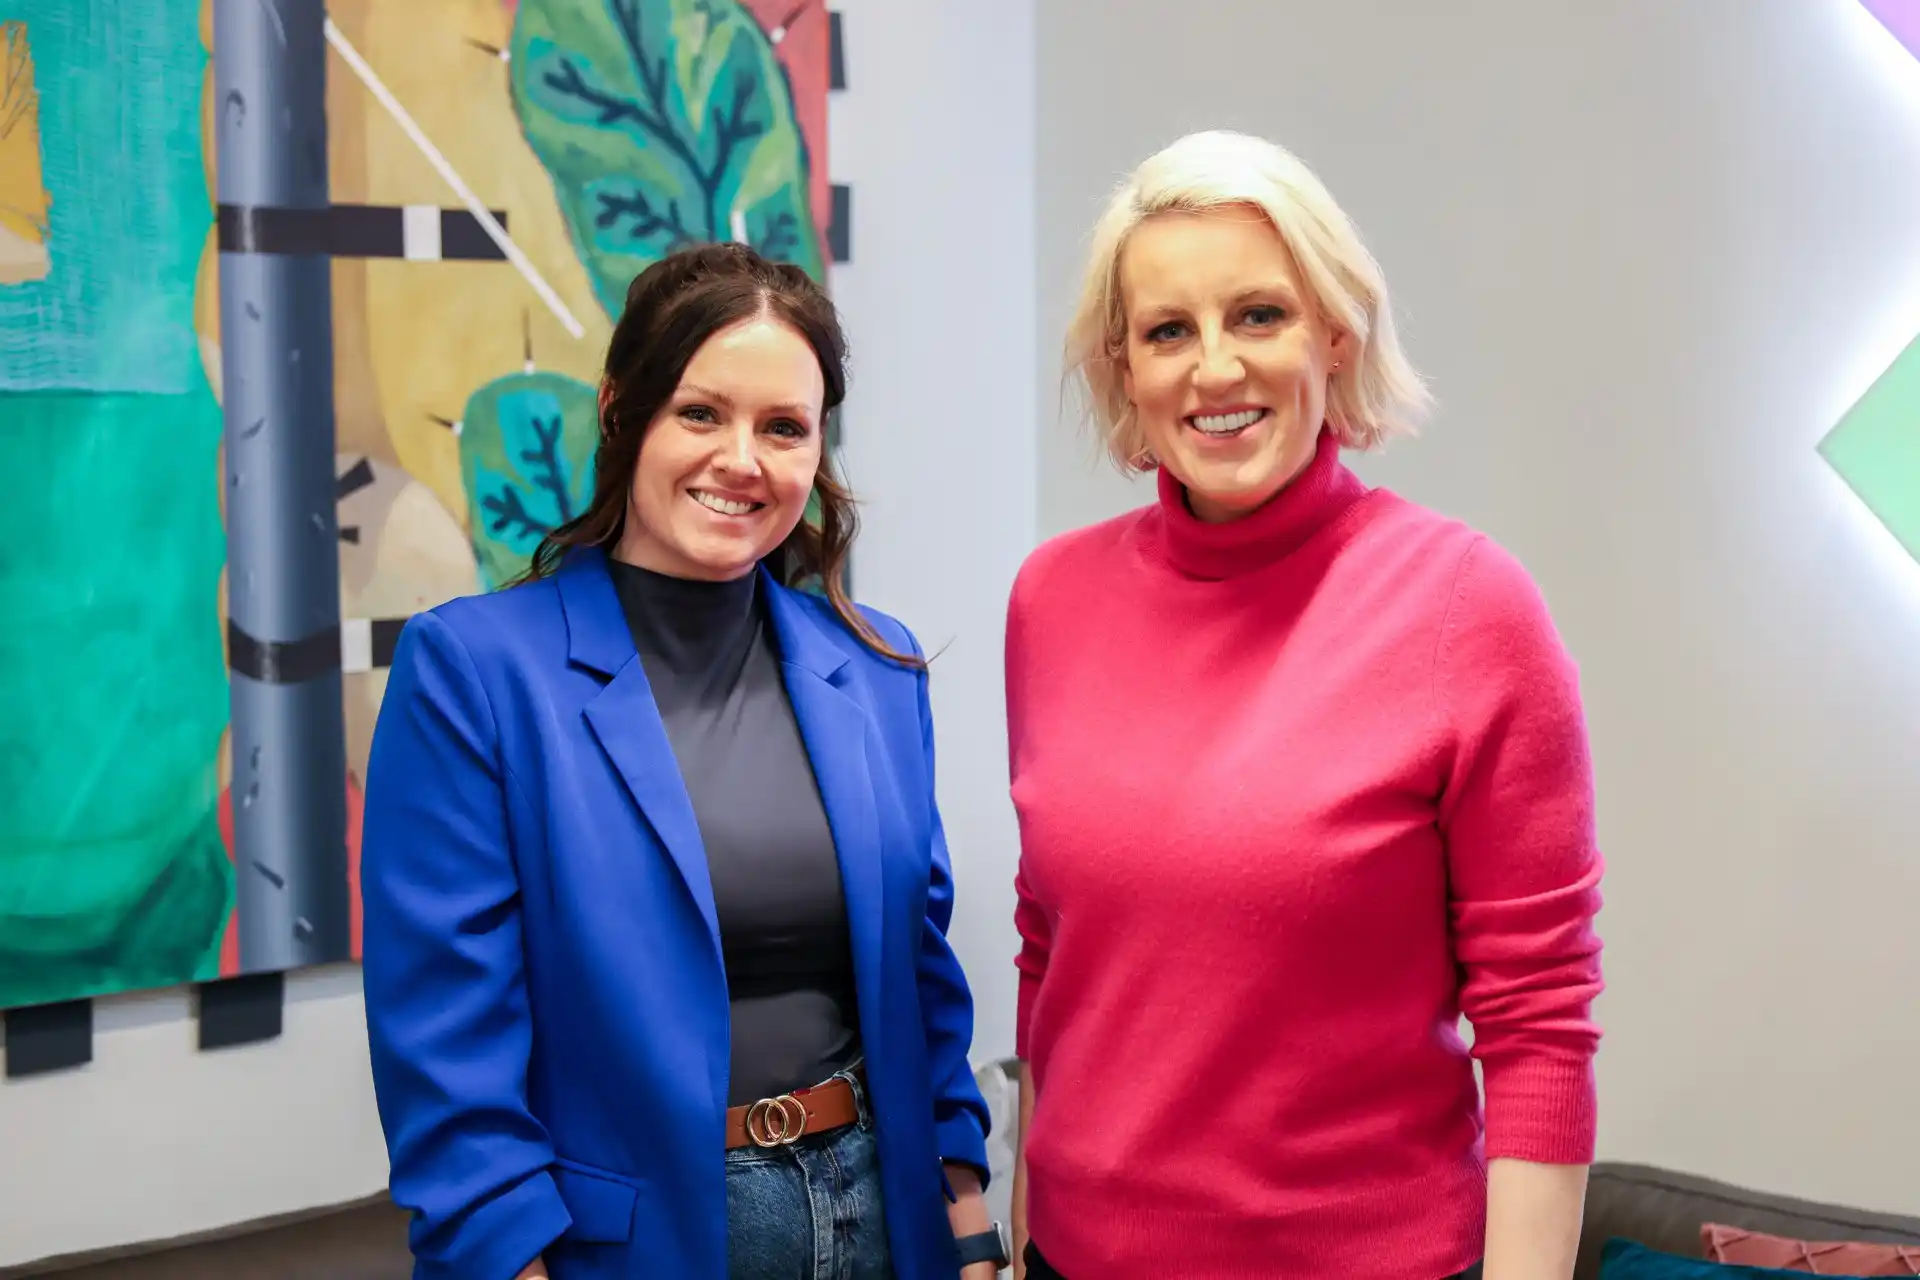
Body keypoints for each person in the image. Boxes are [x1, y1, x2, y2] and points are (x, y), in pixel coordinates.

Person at [1003, 130, 1606, 1280]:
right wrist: (1033, 1213)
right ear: (1123, 367)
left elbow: (1539, 1022)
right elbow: (1053, 947)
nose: (1215, 368)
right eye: (1168, 330)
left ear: (1336, 332)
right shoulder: (1050, 599)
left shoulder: (1468, 607)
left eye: (1259, 315)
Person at [361, 243, 1010, 1280]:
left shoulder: (876, 666)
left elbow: (922, 983)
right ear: (624, 412)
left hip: (883, 1219)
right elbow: (448, 1057)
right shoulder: (475, 673)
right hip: (636, 1245)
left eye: (783, 427)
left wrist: (967, 1215)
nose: (741, 458)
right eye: (701, 413)